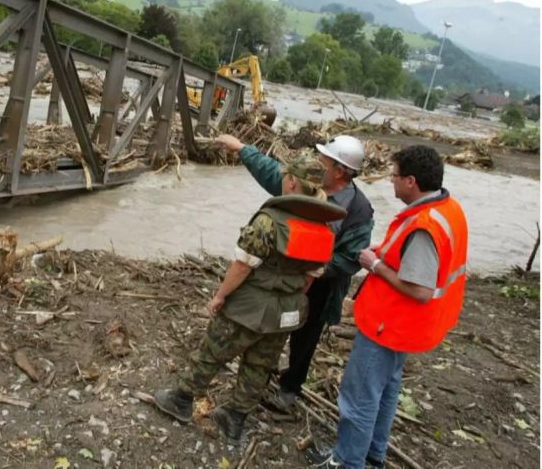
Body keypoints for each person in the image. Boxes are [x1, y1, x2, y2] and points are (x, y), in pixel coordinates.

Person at [153, 152, 347, 445]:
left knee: (212, 352)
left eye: (285, 177)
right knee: (258, 366)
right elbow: (311, 277)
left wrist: (220, 297)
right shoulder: (323, 229)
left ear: (292, 181)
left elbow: (243, 265)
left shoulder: (270, 221)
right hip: (289, 311)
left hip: (250, 308)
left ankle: (181, 399)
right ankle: (234, 419)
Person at [307, 145, 468, 469]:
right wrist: (384, 252)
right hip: (410, 326)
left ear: (411, 181)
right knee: (385, 393)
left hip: (390, 325)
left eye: (394, 176)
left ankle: (347, 461)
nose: (390, 182)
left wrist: (374, 263)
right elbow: (415, 260)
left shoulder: (424, 225)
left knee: (359, 397)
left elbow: (420, 289)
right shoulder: (446, 208)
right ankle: (372, 454)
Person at [215, 133, 374, 410]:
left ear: (339, 171)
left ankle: (290, 387)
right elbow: (271, 173)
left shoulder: (358, 210)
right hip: (283, 278)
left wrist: (315, 268)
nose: (316, 163)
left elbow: (351, 258)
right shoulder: (304, 185)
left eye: (322, 160)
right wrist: (242, 149)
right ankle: (256, 379)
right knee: (270, 327)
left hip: (321, 287)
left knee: (305, 337)